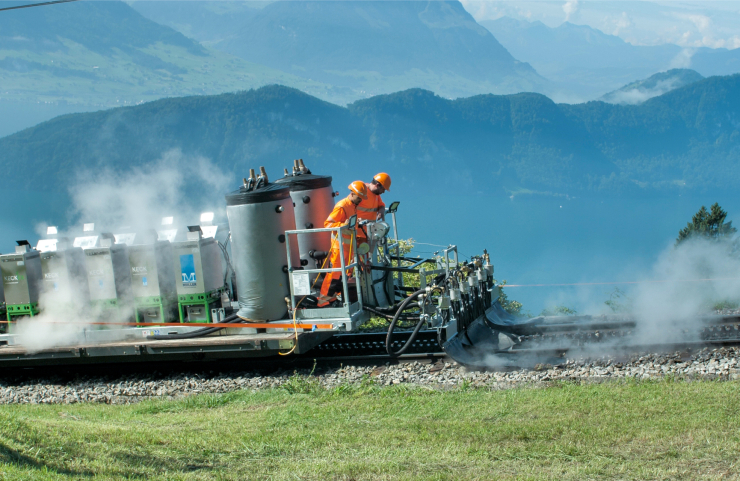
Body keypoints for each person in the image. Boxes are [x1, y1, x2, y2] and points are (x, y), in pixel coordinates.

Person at [317, 181, 367, 307]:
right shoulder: (342, 206)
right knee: (334, 275)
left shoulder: (352, 205)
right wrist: (343, 225)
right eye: (359, 197)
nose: (361, 200)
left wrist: (356, 223)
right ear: (352, 194)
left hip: (347, 248)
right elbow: (327, 224)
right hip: (339, 248)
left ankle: (333, 299)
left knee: (343, 276)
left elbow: (348, 223)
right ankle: (323, 302)